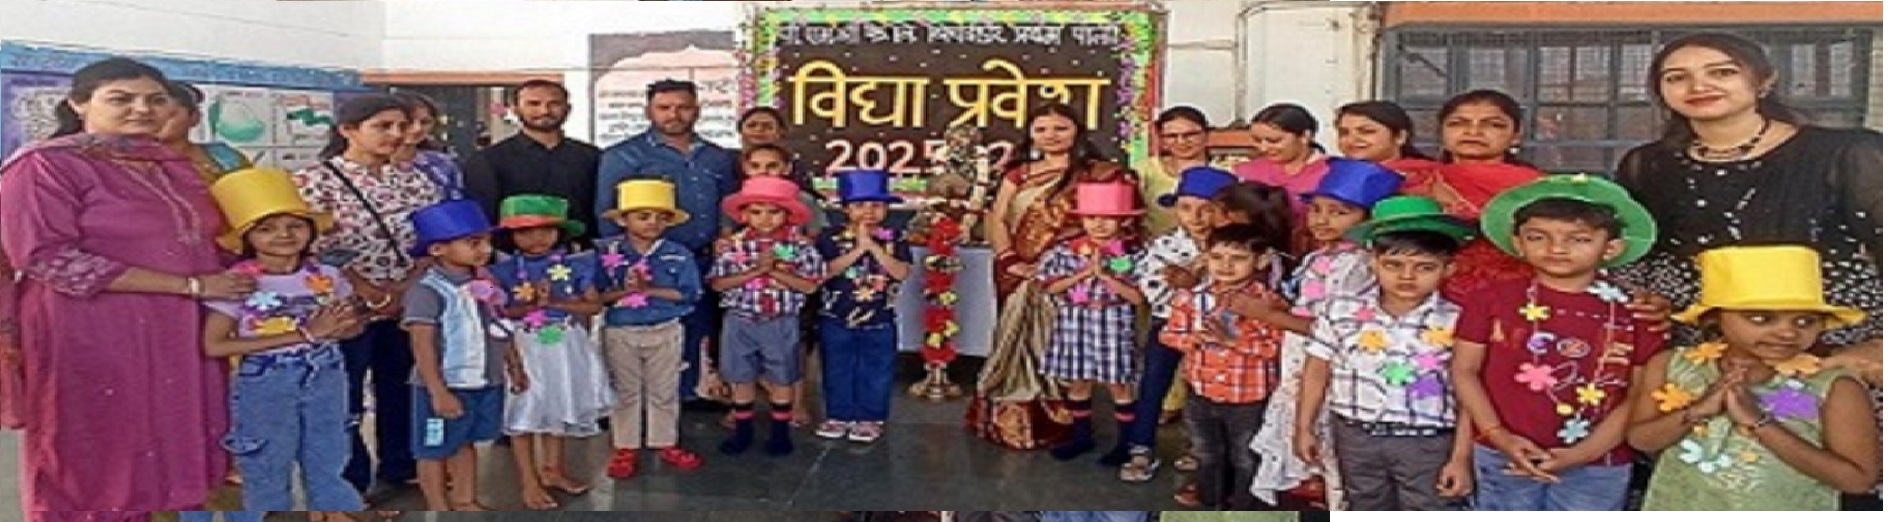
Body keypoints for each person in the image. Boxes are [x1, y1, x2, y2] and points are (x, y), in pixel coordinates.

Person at [0, 56, 250, 519]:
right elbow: (46, 258)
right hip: (90, 329)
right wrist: (191, 284)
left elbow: (199, 242)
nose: (142, 109)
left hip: (175, 329)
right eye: (121, 99)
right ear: (79, 104)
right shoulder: (44, 165)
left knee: (159, 443)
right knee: (95, 452)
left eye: (156, 100)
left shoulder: (169, 165)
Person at [1613, 32, 1880, 369]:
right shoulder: (1647, 163)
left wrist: (1881, 345)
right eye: (1677, 78)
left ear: (1764, 80)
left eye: (1722, 72)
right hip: (1695, 351)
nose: (1698, 86)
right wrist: (1643, 299)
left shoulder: (1845, 152)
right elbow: (1635, 252)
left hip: (1831, 346)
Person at [1451, 174, 1663, 510]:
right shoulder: (1489, 299)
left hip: (1599, 463)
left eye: (1579, 239)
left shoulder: (1638, 312)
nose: (1557, 248)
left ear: (1611, 247)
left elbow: (1639, 395)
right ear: (1518, 243)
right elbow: (1464, 370)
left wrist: (1583, 453)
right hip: (1502, 452)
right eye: (1538, 237)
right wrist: (1498, 436)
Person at [1629, 245, 1880, 510]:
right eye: (1761, 318)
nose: (1788, 333)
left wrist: (1759, 422)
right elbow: (1641, 440)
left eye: (1805, 321)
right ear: (1715, 318)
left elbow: (1858, 480)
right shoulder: (1671, 365)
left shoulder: (1834, 386)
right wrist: (1698, 410)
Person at [293, 93, 443, 498]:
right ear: (348, 130)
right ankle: (348, 480)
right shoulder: (315, 181)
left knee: (402, 387)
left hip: (407, 304)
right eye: (382, 126)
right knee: (344, 396)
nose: (396, 134)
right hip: (344, 307)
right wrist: (367, 289)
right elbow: (310, 246)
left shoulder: (416, 180)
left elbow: (435, 240)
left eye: (401, 126)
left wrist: (405, 288)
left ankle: (402, 464)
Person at [971, 103, 1140, 450]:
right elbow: (998, 219)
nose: (1051, 136)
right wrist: (1010, 260)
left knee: (1064, 347)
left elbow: (1122, 222)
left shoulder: (1099, 174)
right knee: (1017, 341)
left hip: (1078, 273)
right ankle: (1018, 413)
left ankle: (1069, 420)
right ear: (1031, 134)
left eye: (1060, 128)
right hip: (1021, 272)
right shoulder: (1019, 174)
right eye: (1041, 129)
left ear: (1077, 131)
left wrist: (1087, 262)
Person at [1292, 196, 1476, 510]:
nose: (1407, 276)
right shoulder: (1340, 311)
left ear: (1448, 269)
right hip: (1355, 435)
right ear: (1372, 262)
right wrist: (1303, 427)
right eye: (1393, 265)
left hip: (1429, 441)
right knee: (1363, 504)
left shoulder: (1459, 321)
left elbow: (1469, 393)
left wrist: (1460, 456)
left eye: (1425, 267)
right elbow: (1316, 371)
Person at [201, 168, 363, 518]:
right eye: (267, 228)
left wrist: (345, 327)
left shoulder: (328, 276)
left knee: (330, 461)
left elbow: (350, 327)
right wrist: (305, 334)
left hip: (327, 375)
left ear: (311, 230)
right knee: (266, 469)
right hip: (267, 381)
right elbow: (214, 345)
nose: (284, 235)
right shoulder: (237, 282)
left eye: (295, 225)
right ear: (247, 237)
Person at [1248, 160, 1405, 509]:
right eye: (1317, 209)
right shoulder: (1320, 256)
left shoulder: (1359, 265)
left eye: (1339, 212)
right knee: (1313, 445)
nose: (1322, 219)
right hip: (1300, 365)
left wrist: (1269, 316)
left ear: (1368, 219)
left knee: (1334, 453)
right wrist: (1282, 308)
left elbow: (1336, 330)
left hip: (1329, 370)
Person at [596, 79, 739, 406]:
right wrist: (623, 263)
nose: (674, 114)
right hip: (649, 261)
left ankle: (690, 395)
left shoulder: (717, 157)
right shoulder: (623, 156)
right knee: (649, 329)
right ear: (648, 111)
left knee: (698, 328)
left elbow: (729, 205)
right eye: (664, 107)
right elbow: (607, 213)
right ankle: (640, 401)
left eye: (683, 107)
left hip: (704, 259)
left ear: (697, 110)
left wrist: (725, 235)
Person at [489, 194, 614, 509]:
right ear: (511, 235)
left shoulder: (576, 265)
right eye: (526, 231)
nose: (537, 239)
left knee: (558, 404)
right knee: (524, 411)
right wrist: (532, 306)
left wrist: (555, 303)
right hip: (524, 345)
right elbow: (498, 313)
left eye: (546, 230)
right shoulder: (502, 272)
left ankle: (552, 470)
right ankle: (528, 482)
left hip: (565, 343)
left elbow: (594, 305)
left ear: (560, 232)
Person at [400, 199, 521, 511]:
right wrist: (438, 391)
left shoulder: (487, 285)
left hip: (483, 379)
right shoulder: (427, 291)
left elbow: (500, 328)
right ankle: (438, 506)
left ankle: (465, 499)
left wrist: (514, 366)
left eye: (487, 241)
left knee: (465, 441)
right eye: (473, 243)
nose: (485, 249)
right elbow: (422, 345)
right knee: (432, 449)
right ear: (438, 249)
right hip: (443, 385)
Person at [1122, 166, 1238, 483]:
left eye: (1207, 209)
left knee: (1205, 389)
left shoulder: (1234, 248)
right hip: (1169, 321)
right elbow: (1151, 287)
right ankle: (1141, 447)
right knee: (1153, 383)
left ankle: (1199, 447)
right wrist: (1187, 278)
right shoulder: (1164, 245)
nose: (1196, 218)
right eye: (1186, 208)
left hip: (1216, 329)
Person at [597, 180, 707, 478]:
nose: (652, 223)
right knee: (624, 390)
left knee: (664, 389)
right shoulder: (606, 253)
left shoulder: (679, 254)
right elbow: (596, 296)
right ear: (623, 219)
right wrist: (624, 291)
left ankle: (665, 441)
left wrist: (650, 289)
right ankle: (625, 446)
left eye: (661, 217)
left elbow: (689, 293)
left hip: (665, 328)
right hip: (621, 330)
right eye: (643, 216)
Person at [707, 177, 823, 456]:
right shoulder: (733, 246)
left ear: (788, 214)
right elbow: (718, 283)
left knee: (782, 378)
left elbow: (810, 285)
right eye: (756, 212)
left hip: (781, 320)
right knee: (740, 377)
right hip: (740, 319)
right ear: (744, 215)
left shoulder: (800, 246)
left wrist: (774, 271)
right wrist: (757, 271)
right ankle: (742, 431)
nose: (765, 219)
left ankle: (780, 433)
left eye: (774, 212)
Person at [1036, 182, 1147, 461]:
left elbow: (1136, 298)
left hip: (1113, 322)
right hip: (1075, 321)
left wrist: (1106, 276)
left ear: (1124, 220)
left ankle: (1126, 443)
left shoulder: (1133, 254)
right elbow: (1050, 287)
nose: (1099, 224)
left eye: (1108, 218)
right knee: (1078, 381)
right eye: (1091, 217)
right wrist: (1084, 274)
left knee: (1118, 384)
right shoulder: (1065, 251)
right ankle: (1081, 436)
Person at [1399, 90, 1542, 305]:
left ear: (1516, 135)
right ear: (1441, 132)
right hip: (1424, 296)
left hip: (1514, 294)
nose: (1473, 132)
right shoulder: (1416, 179)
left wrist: (1458, 207)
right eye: (1458, 123)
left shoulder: (1535, 187)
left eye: (1493, 125)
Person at [813, 170, 912, 443]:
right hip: (836, 316)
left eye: (876, 205)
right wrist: (858, 249)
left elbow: (902, 272)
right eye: (859, 205)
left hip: (879, 318)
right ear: (845, 208)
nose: (868, 211)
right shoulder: (829, 237)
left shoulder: (894, 237)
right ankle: (838, 415)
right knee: (836, 368)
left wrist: (873, 247)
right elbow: (823, 272)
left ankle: (871, 417)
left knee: (877, 370)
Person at [464, 80, 603, 245]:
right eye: (533, 104)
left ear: (568, 109)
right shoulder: (488, 160)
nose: (544, 111)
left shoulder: (592, 157)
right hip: (511, 256)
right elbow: (483, 220)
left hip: (583, 253)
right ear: (515, 109)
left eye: (554, 104)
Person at [1134, 106, 1230, 235]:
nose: (1181, 142)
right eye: (1171, 136)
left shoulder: (1226, 170)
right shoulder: (1144, 170)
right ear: (1161, 139)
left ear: (1207, 134)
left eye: (1190, 135)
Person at [1234, 103, 1330, 217]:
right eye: (1257, 141)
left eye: (1274, 141)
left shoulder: (1332, 172)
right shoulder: (1245, 172)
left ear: (1305, 136)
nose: (1263, 148)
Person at [158, 80, 252, 183]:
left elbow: (251, 186)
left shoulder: (225, 155)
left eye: (170, 114)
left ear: (195, 117)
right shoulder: (145, 163)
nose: (157, 120)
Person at [393, 91, 466, 201]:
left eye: (425, 122)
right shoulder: (371, 165)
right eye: (409, 121)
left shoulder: (442, 163)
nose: (417, 128)